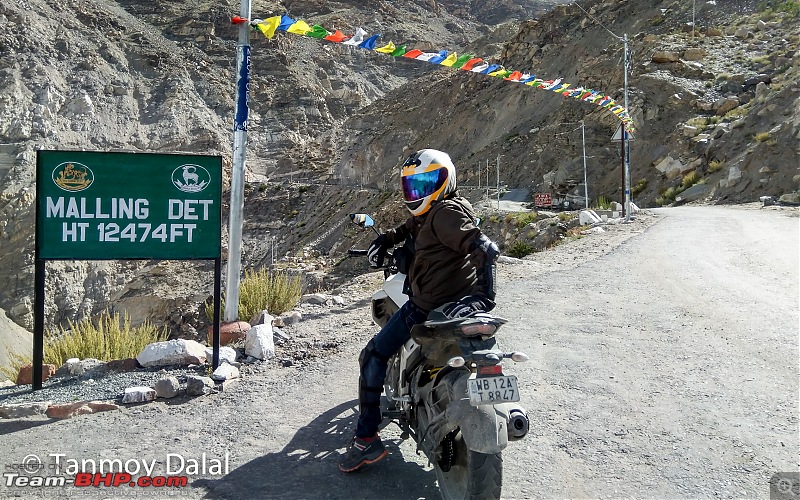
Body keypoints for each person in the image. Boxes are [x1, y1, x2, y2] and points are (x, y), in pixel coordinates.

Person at [339, 148, 500, 472]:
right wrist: (386, 238)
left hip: (427, 308)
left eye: (426, 184)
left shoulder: (444, 214)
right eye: (414, 187)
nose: (419, 193)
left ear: (445, 181)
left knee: (372, 355)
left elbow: (482, 247)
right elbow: (411, 227)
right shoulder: (438, 211)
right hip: (457, 306)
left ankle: (365, 440)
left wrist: (486, 295)